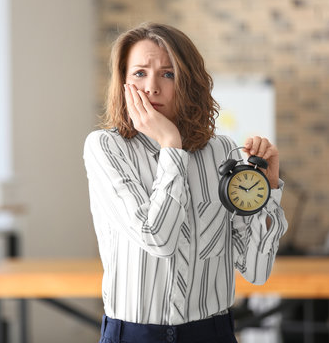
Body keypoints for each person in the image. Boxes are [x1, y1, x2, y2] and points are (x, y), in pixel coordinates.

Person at [83, 22, 288, 343]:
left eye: (168, 74)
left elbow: (257, 271)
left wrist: (269, 190)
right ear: (122, 82)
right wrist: (170, 144)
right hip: (134, 335)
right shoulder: (106, 148)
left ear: (189, 83)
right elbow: (157, 238)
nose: (151, 87)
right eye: (139, 73)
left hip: (212, 332)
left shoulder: (222, 151)